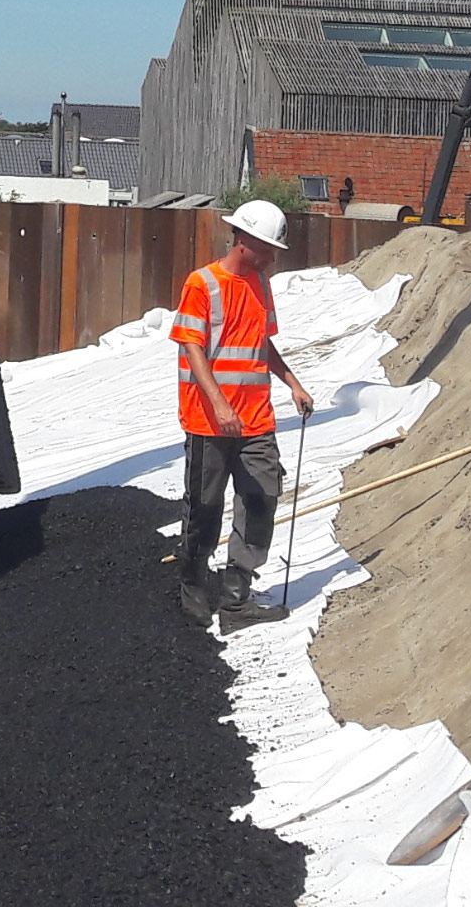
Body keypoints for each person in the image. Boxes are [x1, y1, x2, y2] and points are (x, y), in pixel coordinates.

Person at [171, 199, 317, 628]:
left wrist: (292, 382)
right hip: (208, 421)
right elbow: (191, 347)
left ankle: (236, 598)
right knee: (205, 506)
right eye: (268, 248)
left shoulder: (260, 284)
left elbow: (260, 344)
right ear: (244, 240)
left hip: (256, 420)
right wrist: (219, 403)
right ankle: (194, 584)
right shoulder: (202, 284)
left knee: (260, 498)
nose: (273, 257)